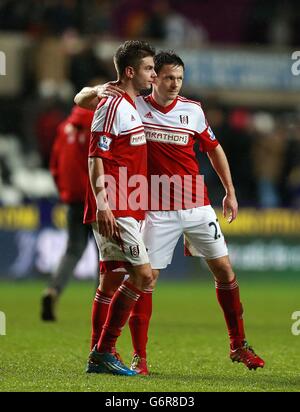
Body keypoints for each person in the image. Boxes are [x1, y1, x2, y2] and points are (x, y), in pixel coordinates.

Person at [75, 51, 265, 374]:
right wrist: (96, 90)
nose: (174, 84)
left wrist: (230, 192)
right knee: (145, 280)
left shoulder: (192, 111)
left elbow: (214, 149)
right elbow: (80, 100)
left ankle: (238, 345)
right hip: (155, 209)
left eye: (179, 78)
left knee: (225, 271)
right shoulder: (132, 105)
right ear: (153, 79)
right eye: (166, 77)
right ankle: (140, 357)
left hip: (197, 206)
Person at [81, 40, 156, 376]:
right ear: (130, 71)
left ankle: (98, 354)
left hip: (127, 203)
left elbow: (81, 97)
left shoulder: (124, 101)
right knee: (142, 275)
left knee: (111, 278)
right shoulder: (112, 106)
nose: (153, 76)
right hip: (116, 205)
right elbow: (96, 157)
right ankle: (104, 350)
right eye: (148, 69)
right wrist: (103, 205)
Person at [41, 105, 94, 321]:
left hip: (73, 200)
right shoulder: (99, 124)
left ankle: (52, 290)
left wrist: (64, 191)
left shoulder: (64, 127)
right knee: (107, 257)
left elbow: (54, 165)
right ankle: (102, 309)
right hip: (98, 200)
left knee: (73, 251)